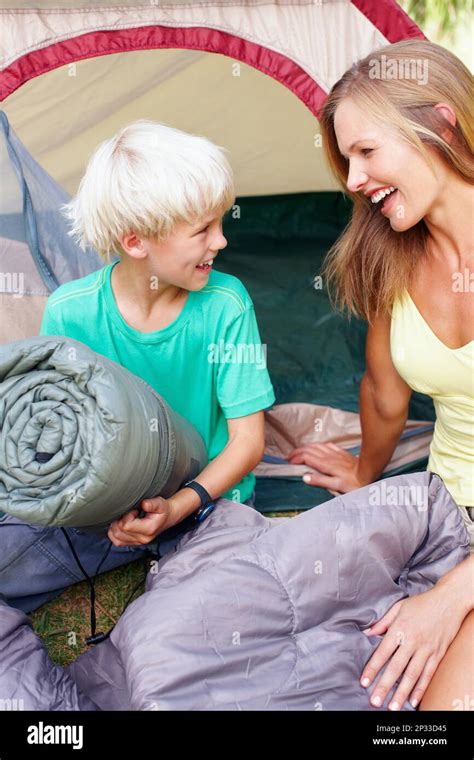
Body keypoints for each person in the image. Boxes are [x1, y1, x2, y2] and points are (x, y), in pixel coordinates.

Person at [0, 120, 275, 613]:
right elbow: (64, 433)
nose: (221, 242)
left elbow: (248, 441)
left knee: (216, 607)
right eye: (203, 230)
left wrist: (178, 507)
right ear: (135, 242)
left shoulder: (226, 306)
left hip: (206, 502)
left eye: (220, 224)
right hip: (103, 509)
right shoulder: (71, 310)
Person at [288, 40, 473, 710]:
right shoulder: (390, 256)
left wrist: (450, 599)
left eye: (367, 151)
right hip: (447, 515)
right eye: (346, 160)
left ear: (443, 123)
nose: (355, 178)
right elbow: (384, 394)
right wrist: (366, 473)